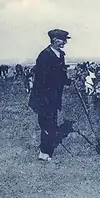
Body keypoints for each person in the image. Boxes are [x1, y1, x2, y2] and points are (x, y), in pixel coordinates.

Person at [28, 29, 73, 162]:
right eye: (62, 40)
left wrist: (69, 80)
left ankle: (46, 149)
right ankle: (44, 153)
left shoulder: (60, 55)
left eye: (65, 40)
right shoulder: (44, 56)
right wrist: (60, 78)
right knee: (47, 124)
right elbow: (43, 79)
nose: (64, 43)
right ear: (54, 40)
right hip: (43, 97)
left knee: (51, 123)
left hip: (54, 96)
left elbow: (61, 75)